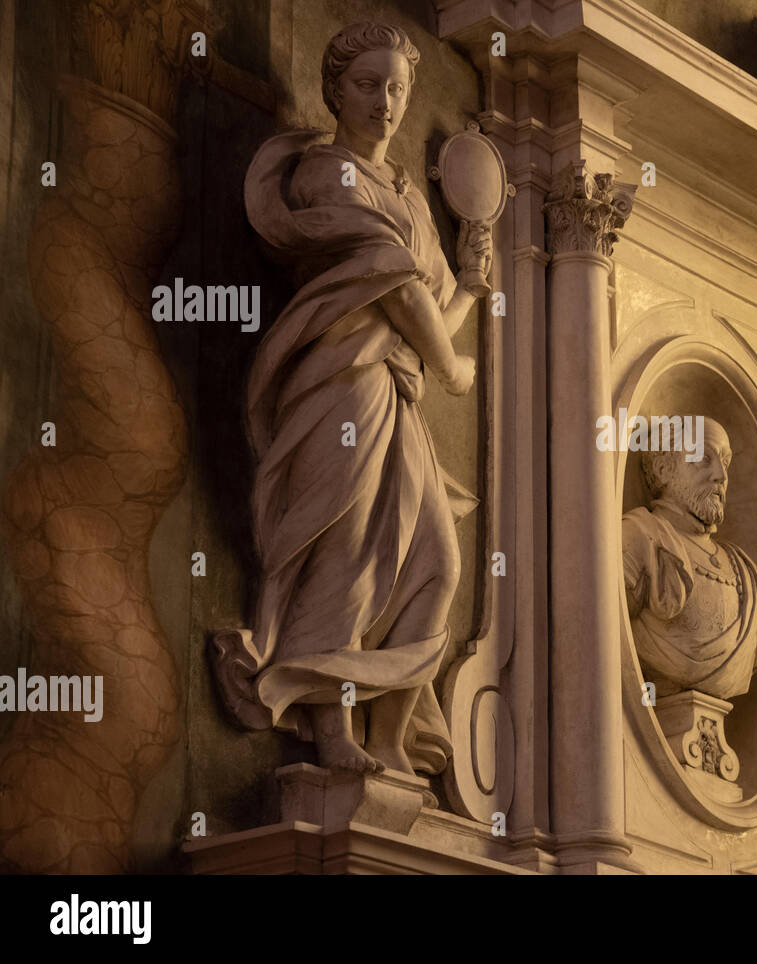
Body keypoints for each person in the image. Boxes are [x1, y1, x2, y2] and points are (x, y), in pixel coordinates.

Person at [211, 22, 491, 779]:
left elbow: (428, 303)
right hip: (341, 386)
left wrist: (466, 284)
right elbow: (392, 278)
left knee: (437, 562)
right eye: (369, 85)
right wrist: (452, 368)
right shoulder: (323, 176)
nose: (387, 102)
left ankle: (392, 738)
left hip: (395, 393)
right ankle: (333, 730)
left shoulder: (406, 193)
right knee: (347, 552)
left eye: (398, 87)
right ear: (335, 89)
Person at [622, 418, 757, 700]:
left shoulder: (742, 569)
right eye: (703, 459)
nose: (721, 476)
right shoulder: (638, 538)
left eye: (725, 463)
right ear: (664, 469)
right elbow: (605, 634)